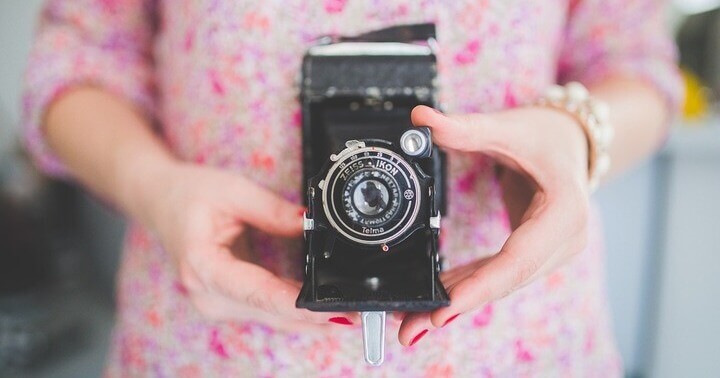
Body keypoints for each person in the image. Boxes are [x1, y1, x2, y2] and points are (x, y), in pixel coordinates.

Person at [23, 0, 682, 376]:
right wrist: (156, 187)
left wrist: (573, 137)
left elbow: (637, 66)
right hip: (210, 336)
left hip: (511, 338)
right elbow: (80, 56)